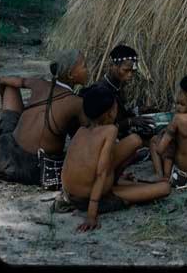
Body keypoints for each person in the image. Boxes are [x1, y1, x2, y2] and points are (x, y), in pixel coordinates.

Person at [61, 85, 170, 232]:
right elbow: (101, 172)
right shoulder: (110, 130)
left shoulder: (81, 131)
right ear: (110, 113)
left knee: (135, 141)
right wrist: (92, 214)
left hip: (72, 194)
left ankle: (118, 183)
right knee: (164, 188)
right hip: (90, 199)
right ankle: (112, 195)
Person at [0, 50, 89, 187]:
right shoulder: (76, 102)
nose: (87, 70)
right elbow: (88, 136)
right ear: (70, 75)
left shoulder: (39, 83)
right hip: (29, 169)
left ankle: (7, 127)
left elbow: (3, 80)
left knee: (11, 86)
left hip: (3, 153)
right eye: (84, 66)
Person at [86, 44, 154, 141]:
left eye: (132, 71)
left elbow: (120, 113)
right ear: (112, 66)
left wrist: (139, 110)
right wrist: (131, 122)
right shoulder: (101, 91)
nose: (130, 75)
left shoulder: (118, 85)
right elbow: (101, 128)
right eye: (126, 70)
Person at [149, 90, 187, 182]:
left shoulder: (180, 119)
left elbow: (170, 138)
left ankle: (164, 174)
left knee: (167, 146)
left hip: (180, 155)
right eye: (177, 103)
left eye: (182, 104)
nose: (178, 107)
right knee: (158, 140)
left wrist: (163, 135)